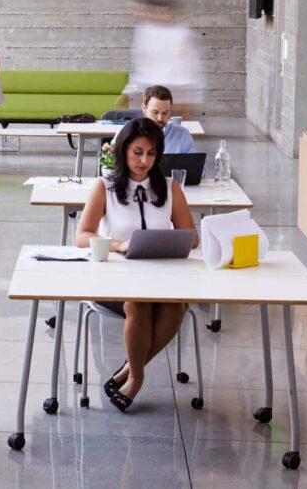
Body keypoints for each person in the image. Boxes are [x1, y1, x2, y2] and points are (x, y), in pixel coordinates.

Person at [74, 118, 198, 412]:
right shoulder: (104, 187)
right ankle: (136, 378)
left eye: (151, 153)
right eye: (137, 152)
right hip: (115, 278)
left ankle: (128, 369)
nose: (144, 161)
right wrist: (118, 245)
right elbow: (82, 236)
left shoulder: (170, 188)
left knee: (175, 307)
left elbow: (192, 238)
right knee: (138, 303)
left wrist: (171, 241)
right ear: (123, 151)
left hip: (161, 276)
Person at [129, 0, 202, 112]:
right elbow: (143, 61)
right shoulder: (144, 30)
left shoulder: (181, 32)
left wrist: (185, 84)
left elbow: (186, 60)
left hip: (176, 82)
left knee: (175, 112)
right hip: (150, 81)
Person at [141, 85, 195, 153]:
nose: (160, 118)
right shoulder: (132, 134)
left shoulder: (183, 135)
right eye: (155, 112)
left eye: (165, 113)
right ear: (143, 108)